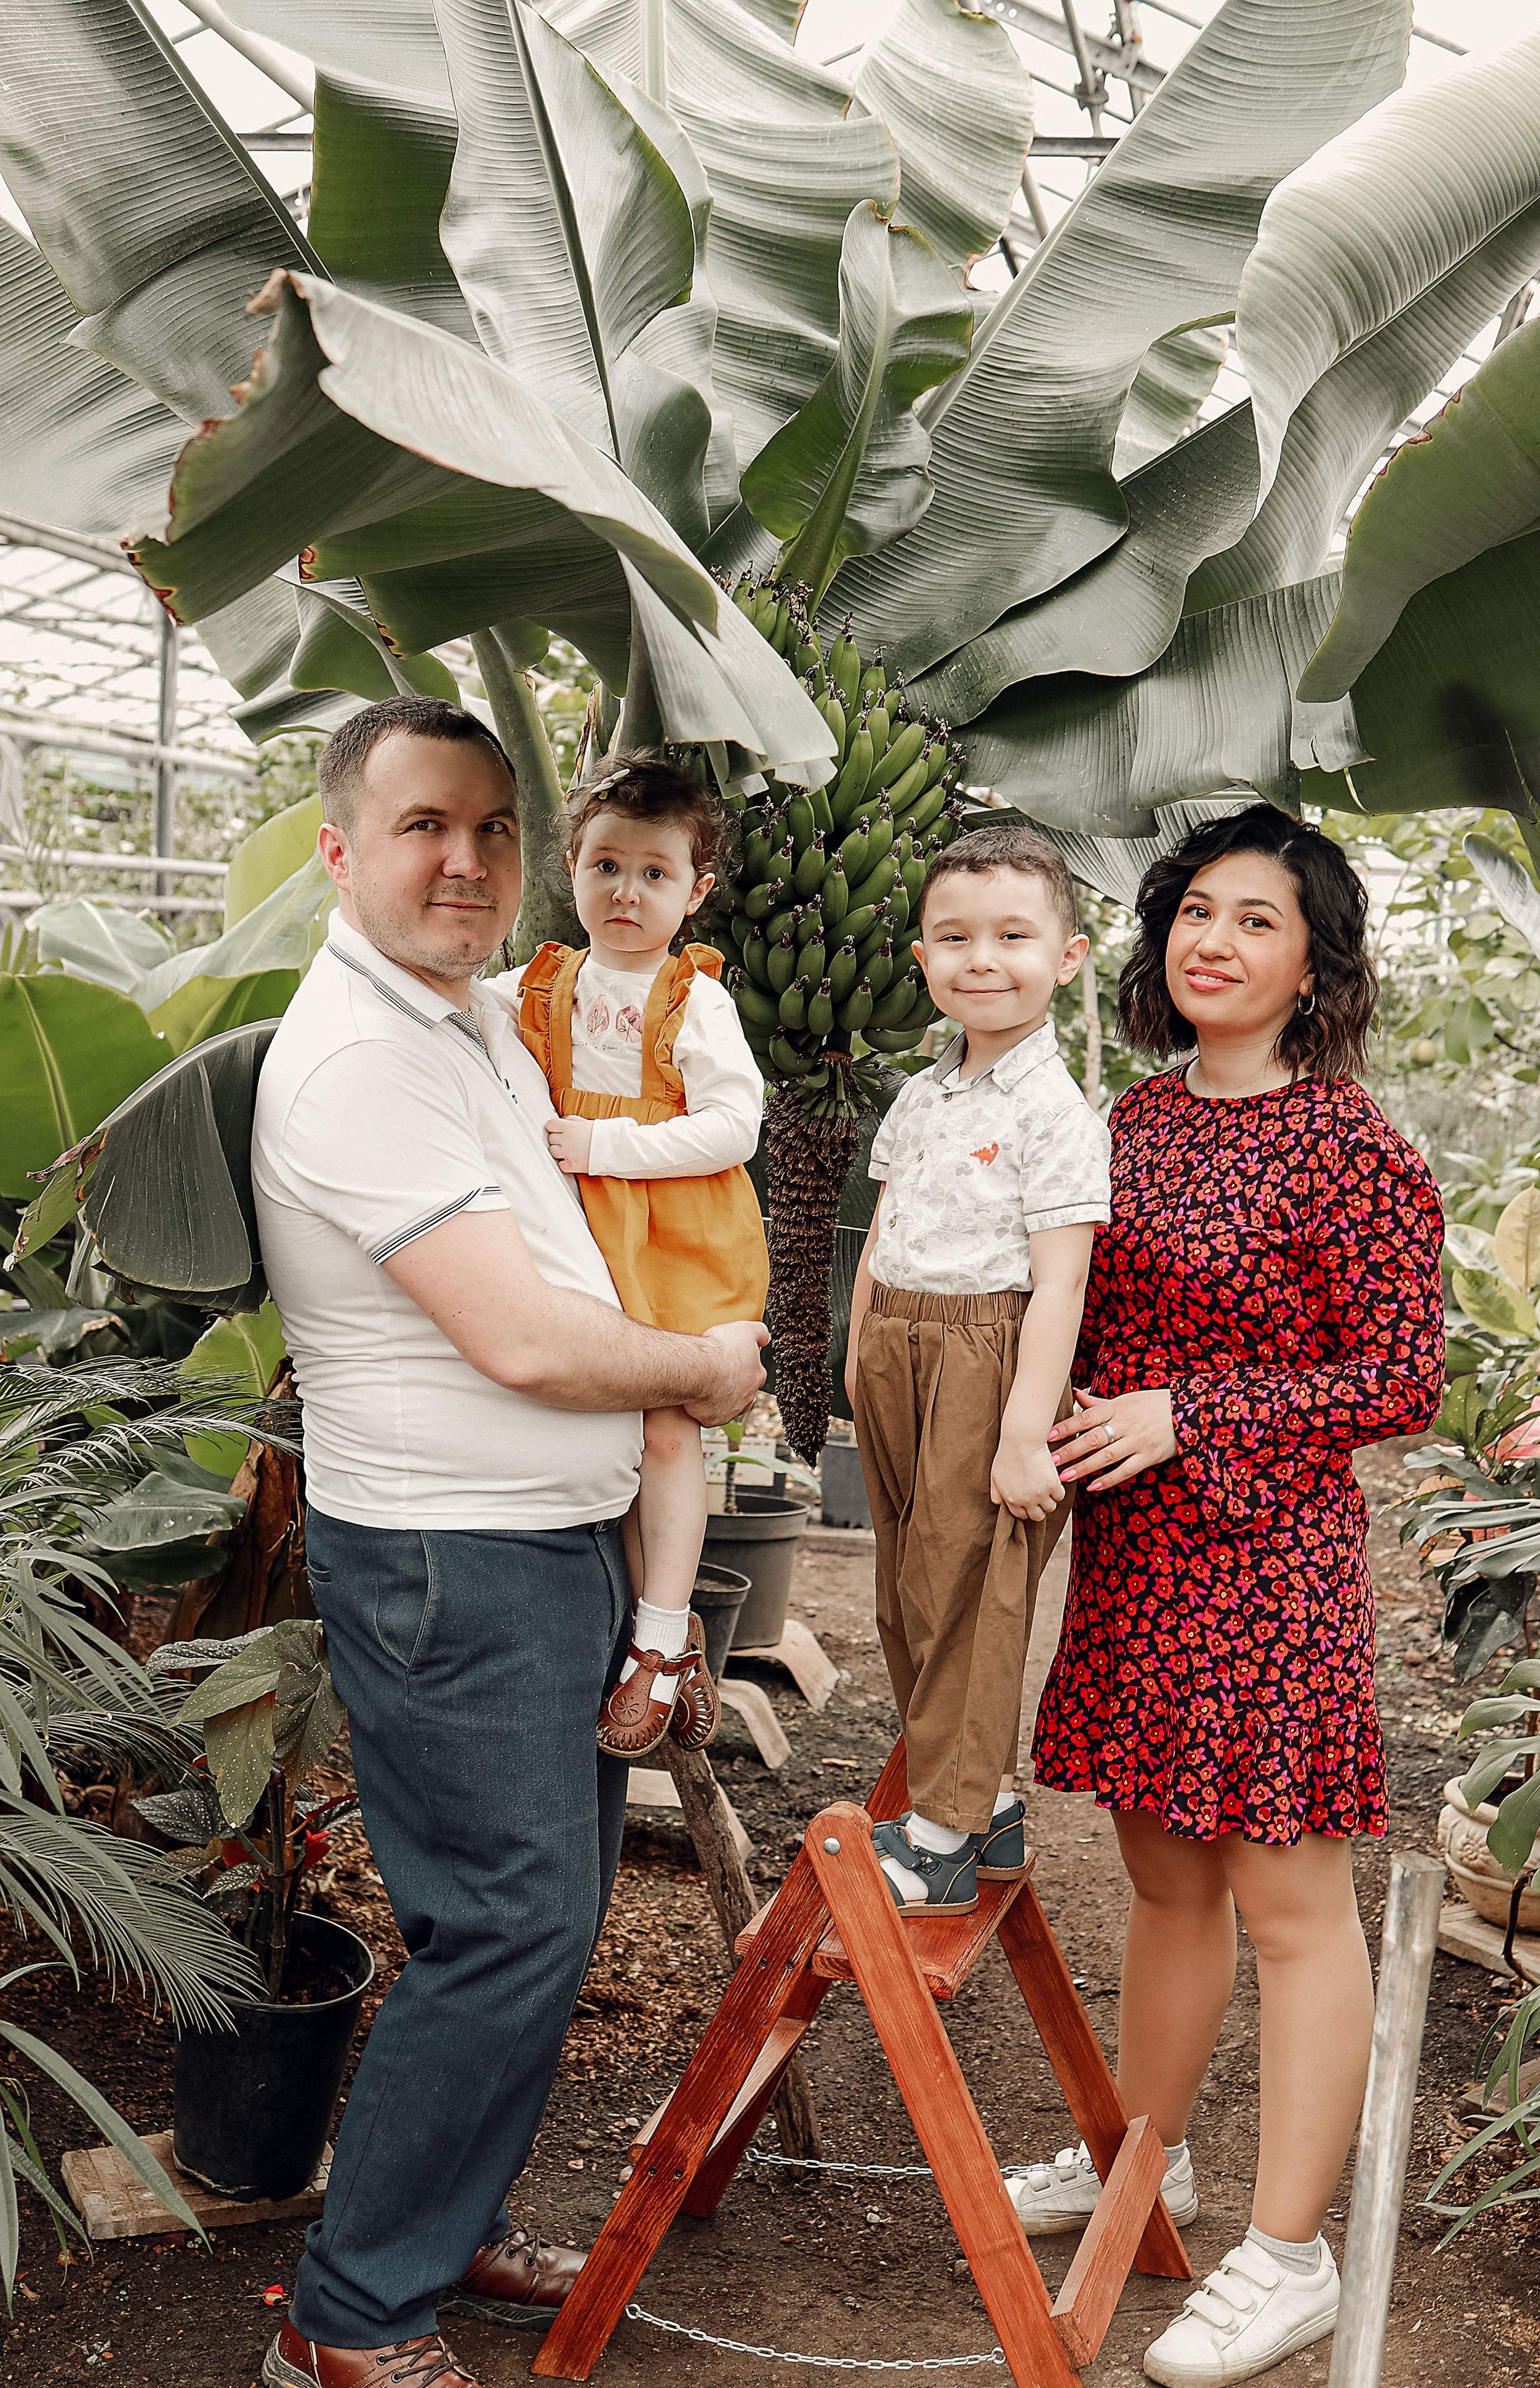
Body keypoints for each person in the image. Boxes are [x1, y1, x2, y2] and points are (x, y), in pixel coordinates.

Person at [250, 696, 767, 2388]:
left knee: (535, 1921)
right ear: (340, 851)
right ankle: (350, 2319)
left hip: (537, 1546)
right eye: (422, 826)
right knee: (511, 1927)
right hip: (448, 1556)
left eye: (490, 829)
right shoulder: (359, 1060)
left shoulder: (470, 1015)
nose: (465, 860)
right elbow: (524, 1341)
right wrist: (703, 1370)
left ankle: (438, 2223)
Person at [1008, 808, 1445, 2387]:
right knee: (1164, 1884)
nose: (1215, 940)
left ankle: (1287, 2258)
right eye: (1196, 910)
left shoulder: (1352, 1146)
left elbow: (1401, 1377)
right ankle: (1144, 2160)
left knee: (1288, 1907)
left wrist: (1189, 1412)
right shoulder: (1126, 1120)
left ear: (1313, 963)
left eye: (1257, 920)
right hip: (1134, 1565)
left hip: (1266, 1572)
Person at [842, 825, 1111, 1914]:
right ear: (923, 959)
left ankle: (943, 1837)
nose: (982, 959)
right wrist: (860, 1347)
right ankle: (982, 1801)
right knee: (909, 1590)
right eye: (954, 938)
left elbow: (1062, 1284)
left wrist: (1021, 1430)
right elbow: (884, 1228)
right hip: (898, 1348)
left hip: (989, 1356)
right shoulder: (922, 1093)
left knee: (970, 1592)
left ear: (1068, 957)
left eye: (1012, 936)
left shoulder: (1057, 1113)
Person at [512, 753, 768, 1760]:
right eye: (607, 866)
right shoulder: (539, 983)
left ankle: (658, 1645)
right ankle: (663, 1630)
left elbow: (734, 1126)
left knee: (665, 1430)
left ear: (694, 893)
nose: (627, 892)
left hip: (675, 1237)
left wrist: (606, 1145)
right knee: (609, 1437)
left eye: (655, 874)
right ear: (571, 869)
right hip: (583, 1233)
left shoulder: (692, 999)